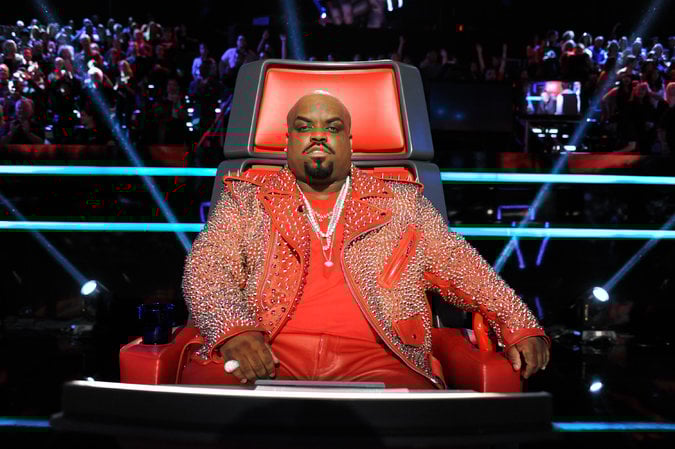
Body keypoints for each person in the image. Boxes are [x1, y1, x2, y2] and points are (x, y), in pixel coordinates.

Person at [181, 91, 551, 388]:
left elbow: (460, 265)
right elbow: (207, 266)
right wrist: (233, 330)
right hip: (269, 351)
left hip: (381, 360)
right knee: (210, 394)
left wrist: (517, 322)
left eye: (333, 127)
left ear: (350, 142)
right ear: (288, 142)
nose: (318, 135)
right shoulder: (247, 198)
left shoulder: (402, 202)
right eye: (304, 126)